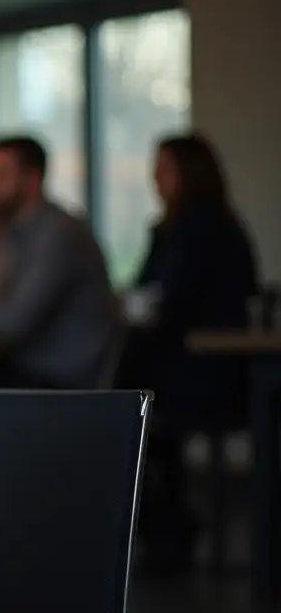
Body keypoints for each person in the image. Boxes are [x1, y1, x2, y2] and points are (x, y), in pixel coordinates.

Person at [129, 133, 259, 572]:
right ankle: (167, 527)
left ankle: (167, 529)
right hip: (183, 367)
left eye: (164, 168)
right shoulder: (172, 229)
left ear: (189, 174)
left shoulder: (204, 231)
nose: (155, 178)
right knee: (131, 387)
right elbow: (149, 295)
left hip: (208, 375)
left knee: (132, 398)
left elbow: (167, 301)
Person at [0, 136, 120, 389]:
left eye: (1, 174)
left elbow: (12, 322)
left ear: (32, 179)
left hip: (62, 382)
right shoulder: (15, 231)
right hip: (30, 369)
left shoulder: (57, 233)